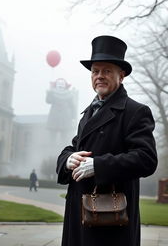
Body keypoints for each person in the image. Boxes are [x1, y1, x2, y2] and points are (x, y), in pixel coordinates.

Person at [56, 35, 158, 246]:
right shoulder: (88, 113)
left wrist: (99, 166)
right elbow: (73, 147)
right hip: (78, 214)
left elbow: (146, 159)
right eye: (95, 71)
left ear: (121, 75)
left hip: (109, 219)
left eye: (106, 71)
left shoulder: (135, 111)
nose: (99, 76)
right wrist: (68, 159)